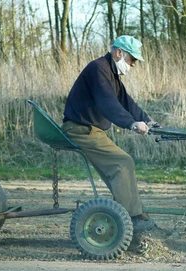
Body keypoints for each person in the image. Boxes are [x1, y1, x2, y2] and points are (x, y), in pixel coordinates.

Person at [61, 35, 156, 239]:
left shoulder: (110, 73)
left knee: (122, 165)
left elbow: (124, 101)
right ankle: (132, 219)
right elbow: (108, 104)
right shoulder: (98, 69)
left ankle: (131, 216)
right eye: (133, 60)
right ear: (119, 53)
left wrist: (147, 120)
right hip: (80, 129)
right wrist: (131, 123)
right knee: (122, 163)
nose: (134, 65)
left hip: (91, 130)